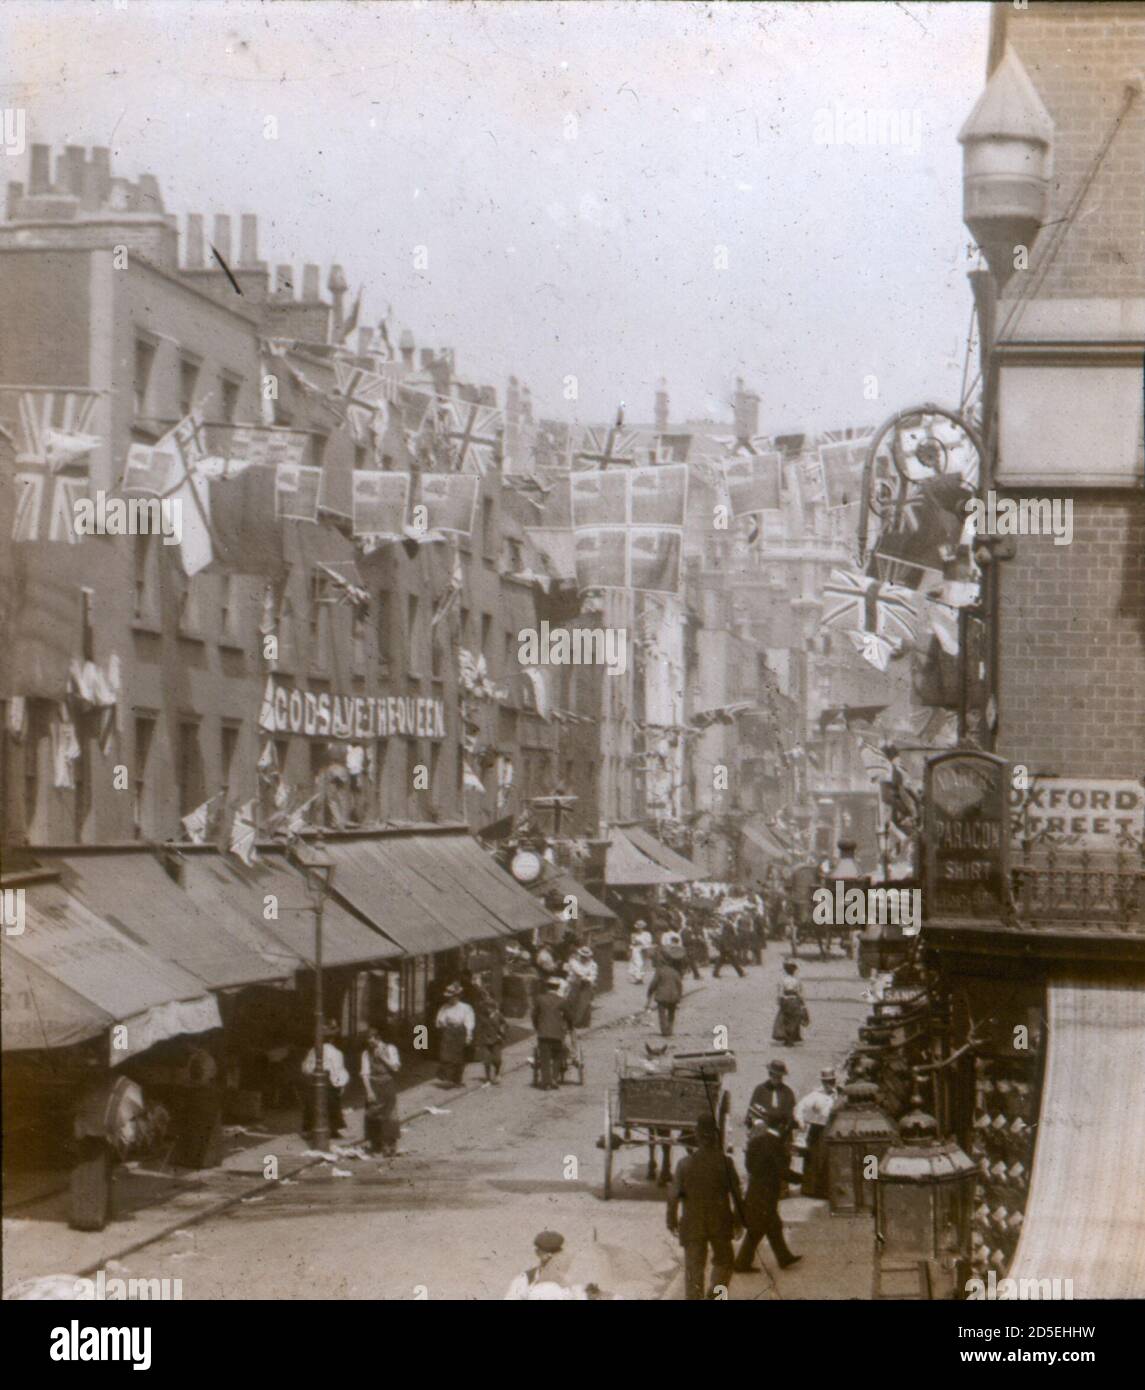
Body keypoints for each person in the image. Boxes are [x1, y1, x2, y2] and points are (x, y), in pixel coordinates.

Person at [667, 1112, 744, 1301]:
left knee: (694, 1268)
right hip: (720, 1223)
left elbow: (673, 1195)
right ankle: (716, 1297)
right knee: (725, 1262)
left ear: (697, 1136)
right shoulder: (726, 1162)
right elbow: (737, 1195)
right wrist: (738, 1222)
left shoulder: (684, 1164)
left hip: (693, 1224)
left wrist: (671, 1220)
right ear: (716, 1136)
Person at [733, 1118, 802, 1273]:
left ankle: (784, 1257)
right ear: (781, 1126)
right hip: (768, 1191)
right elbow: (782, 1170)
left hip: (756, 1188)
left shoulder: (755, 1142)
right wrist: (801, 1178)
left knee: (773, 1225)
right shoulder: (775, 1144)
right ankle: (741, 1263)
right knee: (758, 1228)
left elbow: (748, 1166)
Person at [795, 1068, 839, 1199]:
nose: (829, 1084)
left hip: (833, 1129)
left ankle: (830, 1189)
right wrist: (801, 1123)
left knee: (830, 1159)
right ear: (822, 1082)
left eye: (831, 1081)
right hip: (818, 1130)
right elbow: (800, 1108)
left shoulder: (838, 1094)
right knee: (816, 1160)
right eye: (826, 1081)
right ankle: (814, 1190)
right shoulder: (815, 1096)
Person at [301, 1021, 350, 1137]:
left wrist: (310, 1074)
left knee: (312, 1104)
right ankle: (333, 1129)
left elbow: (306, 1067)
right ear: (332, 1039)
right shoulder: (336, 1052)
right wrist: (340, 1083)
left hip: (314, 1079)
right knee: (332, 1104)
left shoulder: (313, 1051)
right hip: (329, 1080)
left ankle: (309, 1128)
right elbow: (338, 1070)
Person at [360, 1028, 402, 1156]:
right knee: (372, 1113)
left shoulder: (390, 1049)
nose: (371, 1045)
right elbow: (365, 1074)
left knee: (390, 1114)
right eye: (369, 1043)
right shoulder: (366, 1053)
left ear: (378, 1038)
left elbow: (395, 1068)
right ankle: (376, 1144)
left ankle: (390, 1145)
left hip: (387, 1083)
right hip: (374, 1085)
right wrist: (369, 1091)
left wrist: (383, 1057)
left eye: (373, 1042)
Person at [505, 1230, 570, 1299]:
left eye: (554, 1251)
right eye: (546, 1250)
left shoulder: (568, 1280)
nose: (550, 1255)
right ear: (537, 1252)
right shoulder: (526, 1279)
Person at [532, 975, 572, 1090]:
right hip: (557, 1034)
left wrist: (537, 1027)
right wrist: (569, 1026)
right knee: (558, 1056)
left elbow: (534, 1016)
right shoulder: (562, 1001)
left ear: (547, 987)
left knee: (544, 1058)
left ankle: (546, 1082)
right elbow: (569, 1017)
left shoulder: (540, 999)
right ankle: (554, 1078)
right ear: (558, 987)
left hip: (543, 1034)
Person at [434, 983, 475, 1088]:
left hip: (460, 1032)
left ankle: (457, 1079)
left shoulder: (465, 1008)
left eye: (452, 997)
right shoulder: (445, 1007)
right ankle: (448, 1078)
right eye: (448, 997)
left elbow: (469, 1021)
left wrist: (468, 1035)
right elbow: (439, 1020)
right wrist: (442, 1023)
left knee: (459, 1057)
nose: (450, 999)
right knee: (446, 1055)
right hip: (448, 1032)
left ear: (457, 996)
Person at [746, 1059, 796, 1139]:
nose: (776, 1079)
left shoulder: (787, 1092)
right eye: (774, 1075)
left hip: (781, 1131)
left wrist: (784, 1127)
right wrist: (758, 1123)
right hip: (761, 1129)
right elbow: (752, 1112)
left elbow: (790, 1115)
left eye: (779, 1077)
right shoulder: (760, 1089)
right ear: (770, 1074)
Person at [645, 951, 684, 1037]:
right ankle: (669, 1030)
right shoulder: (675, 972)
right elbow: (680, 985)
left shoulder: (660, 971)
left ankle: (664, 1031)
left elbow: (653, 983)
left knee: (662, 1015)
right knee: (671, 1014)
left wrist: (649, 993)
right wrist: (679, 996)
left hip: (662, 996)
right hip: (673, 997)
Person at [474, 989, 508, 1085]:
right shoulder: (482, 1016)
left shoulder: (498, 1015)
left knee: (497, 1059)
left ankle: (497, 1073)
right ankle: (488, 1078)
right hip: (485, 1040)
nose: (488, 1009)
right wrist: (477, 1042)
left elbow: (505, 1024)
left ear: (493, 1007)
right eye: (486, 1007)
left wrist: (502, 1030)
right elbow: (478, 1028)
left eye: (490, 1007)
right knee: (486, 1060)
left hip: (496, 1040)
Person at [772, 959, 808, 1045]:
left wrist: (780, 1001)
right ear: (794, 970)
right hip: (795, 1001)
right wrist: (803, 1004)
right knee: (794, 1019)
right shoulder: (797, 980)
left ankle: (786, 1037)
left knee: (785, 1019)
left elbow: (780, 993)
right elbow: (800, 993)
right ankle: (792, 1037)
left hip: (786, 1000)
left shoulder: (782, 980)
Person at [564, 944, 598, 1028]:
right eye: (582, 956)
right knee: (571, 1002)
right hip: (574, 985)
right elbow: (577, 972)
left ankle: (581, 1023)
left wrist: (587, 978)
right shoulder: (574, 961)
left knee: (584, 1004)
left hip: (586, 985)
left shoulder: (592, 964)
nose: (584, 958)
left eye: (586, 956)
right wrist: (585, 976)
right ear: (580, 955)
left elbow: (593, 976)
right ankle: (570, 1022)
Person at [628, 920, 653, 984]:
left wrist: (642, 944)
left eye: (640, 927)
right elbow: (632, 943)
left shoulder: (647, 934)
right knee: (636, 963)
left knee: (642, 964)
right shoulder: (633, 934)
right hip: (636, 950)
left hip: (643, 949)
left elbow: (649, 942)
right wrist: (631, 950)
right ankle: (637, 978)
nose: (639, 928)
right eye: (638, 927)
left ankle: (640, 978)